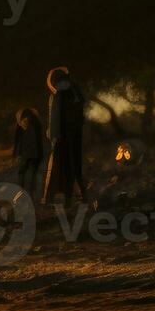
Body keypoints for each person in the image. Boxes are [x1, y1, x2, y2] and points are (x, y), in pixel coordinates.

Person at [43, 67, 86, 209]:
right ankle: (82, 196)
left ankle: (66, 200)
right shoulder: (76, 91)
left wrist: (54, 135)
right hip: (76, 134)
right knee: (76, 166)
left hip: (62, 137)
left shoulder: (59, 94)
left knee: (63, 168)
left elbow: (56, 116)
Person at [12, 107, 45, 198]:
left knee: (24, 172)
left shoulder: (27, 125)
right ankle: (27, 192)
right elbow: (40, 140)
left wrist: (17, 154)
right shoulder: (37, 124)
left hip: (29, 154)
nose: (24, 122)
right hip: (32, 154)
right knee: (29, 173)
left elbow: (18, 140)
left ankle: (25, 192)